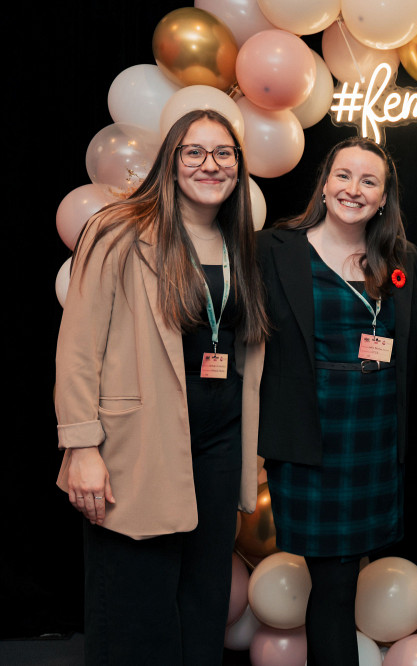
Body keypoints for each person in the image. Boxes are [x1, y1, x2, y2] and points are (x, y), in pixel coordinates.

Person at [54, 109, 269, 664]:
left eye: (224, 154)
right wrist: (81, 446)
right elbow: (79, 347)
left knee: (203, 602)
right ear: (170, 164)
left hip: (218, 445)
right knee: (134, 604)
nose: (210, 165)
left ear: (238, 168)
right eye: (193, 152)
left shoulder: (239, 243)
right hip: (138, 443)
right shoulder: (117, 229)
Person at [256, 137, 417, 666]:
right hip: (311, 434)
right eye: (344, 176)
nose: (354, 189)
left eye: (369, 181)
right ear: (324, 185)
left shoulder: (402, 260)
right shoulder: (275, 249)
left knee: (344, 576)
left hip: (372, 437)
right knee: (330, 583)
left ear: (383, 197)